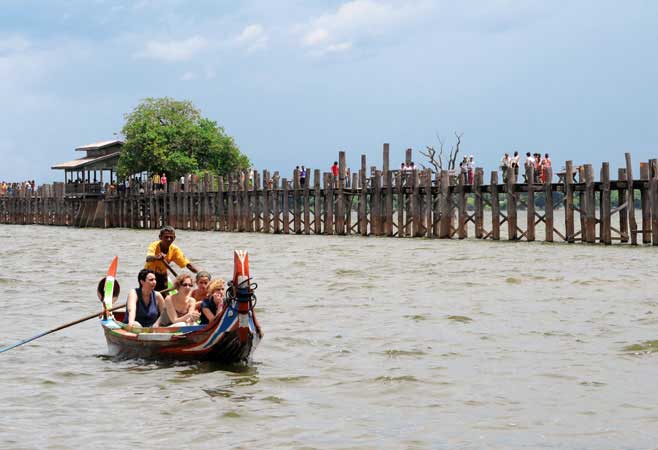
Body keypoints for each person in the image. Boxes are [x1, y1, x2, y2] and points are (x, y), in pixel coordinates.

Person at [145, 226, 200, 292]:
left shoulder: (175, 250)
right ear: (160, 237)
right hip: (149, 274)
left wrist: (200, 273)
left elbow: (187, 264)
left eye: (171, 237)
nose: (169, 239)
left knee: (163, 296)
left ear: (174, 238)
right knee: (148, 294)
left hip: (162, 275)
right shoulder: (154, 245)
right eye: (166, 237)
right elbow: (148, 258)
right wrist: (156, 257)